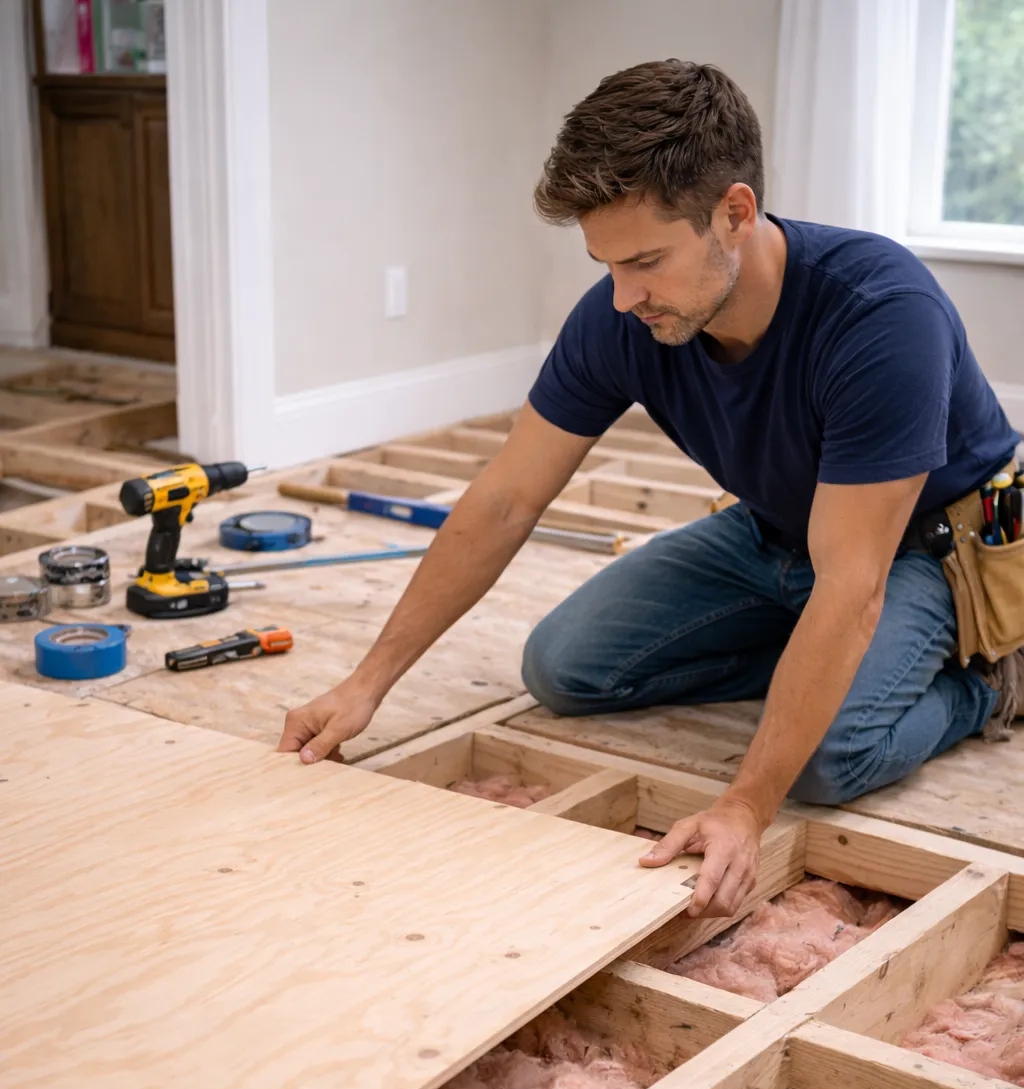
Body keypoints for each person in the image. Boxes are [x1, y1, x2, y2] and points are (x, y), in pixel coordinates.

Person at [278, 59, 1021, 920]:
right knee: (565, 669)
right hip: (779, 533)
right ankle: (811, 664)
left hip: (926, 550)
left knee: (827, 760)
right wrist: (367, 683)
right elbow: (506, 499)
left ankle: (991, 684)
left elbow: (853, 584)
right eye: (606, 264)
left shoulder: (881, 314)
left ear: (734, 214)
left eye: (646, 262)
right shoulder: (626, 312)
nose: (624, 297)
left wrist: (745, 803)